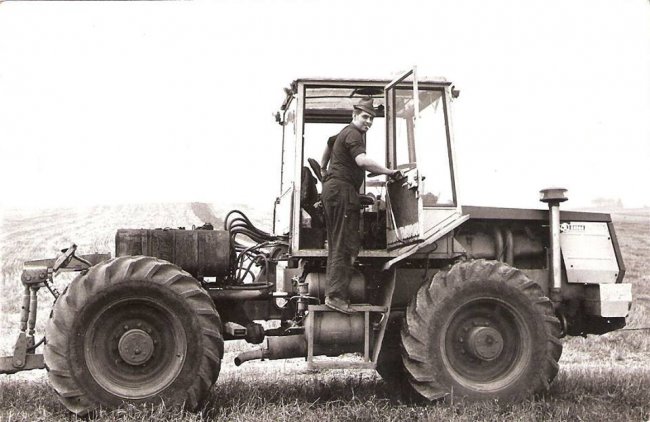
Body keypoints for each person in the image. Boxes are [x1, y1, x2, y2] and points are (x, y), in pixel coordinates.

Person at [321, 97, 400, 314]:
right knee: (343, 242)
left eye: (372, 118)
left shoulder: (345, 133)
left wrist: (323, 169)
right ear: (354, 115)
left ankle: (337, 292)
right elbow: (362, 161)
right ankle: (335, 296)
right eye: (365, 117)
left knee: (346, 241)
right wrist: (388, 172)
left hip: (337, 191)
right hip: (341, 192)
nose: (369, 122)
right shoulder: (354, 134)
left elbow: (329, 142)